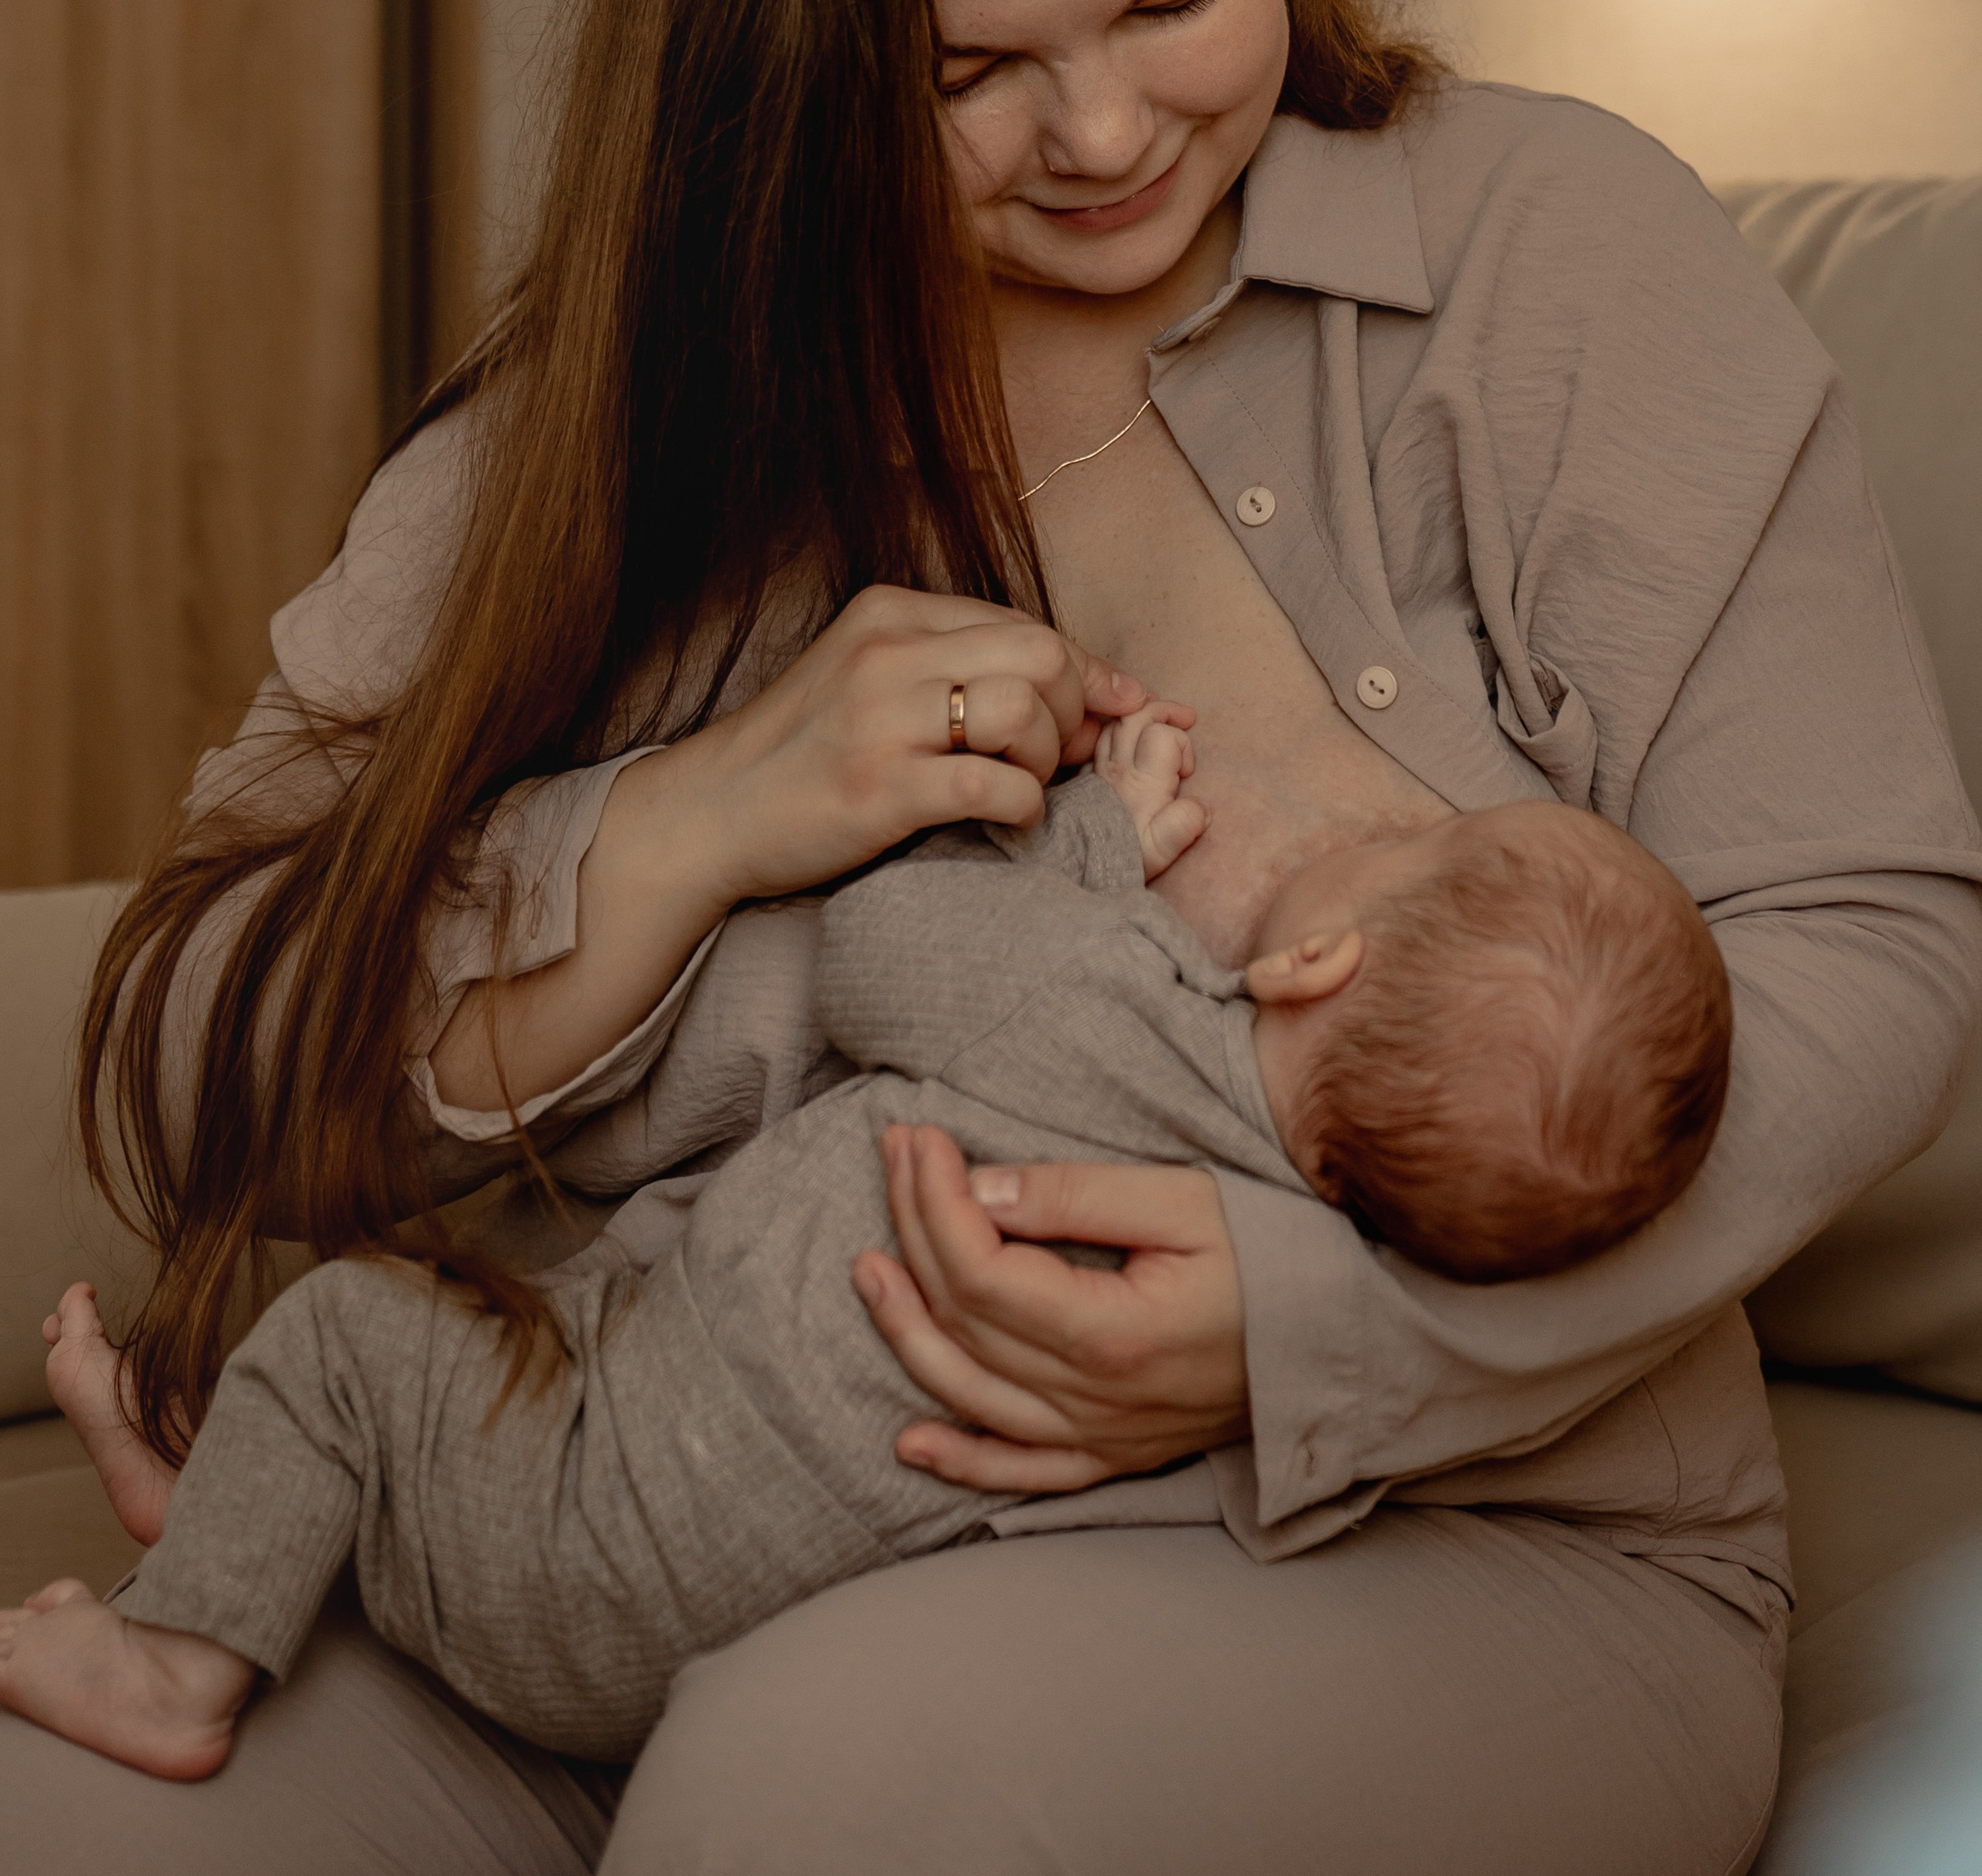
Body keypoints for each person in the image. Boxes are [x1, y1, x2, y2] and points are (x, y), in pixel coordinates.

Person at [2, 0, 1977, 1876]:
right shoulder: (614, 417)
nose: (1113, 129)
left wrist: (1304, 1324)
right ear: (780, 58)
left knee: (827, 1800)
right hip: (623, 1519)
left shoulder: (1552, 260)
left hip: (1433, 1527)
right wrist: (694, 819)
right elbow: (207, 1022)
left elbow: (1866, 936)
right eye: (967, 74)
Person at [1, 729, 1733, 1777]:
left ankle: (172, 1661)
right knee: (525, 1329)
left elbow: (886, 951)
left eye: (1402, 837)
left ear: (1307, 964)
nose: (1371, 816)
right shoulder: (1264, 1244)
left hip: (587, 1531)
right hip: (701, 1626)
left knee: (355, 1330)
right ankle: (239, 1509)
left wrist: (1085, 842)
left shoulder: (1110, 1000)